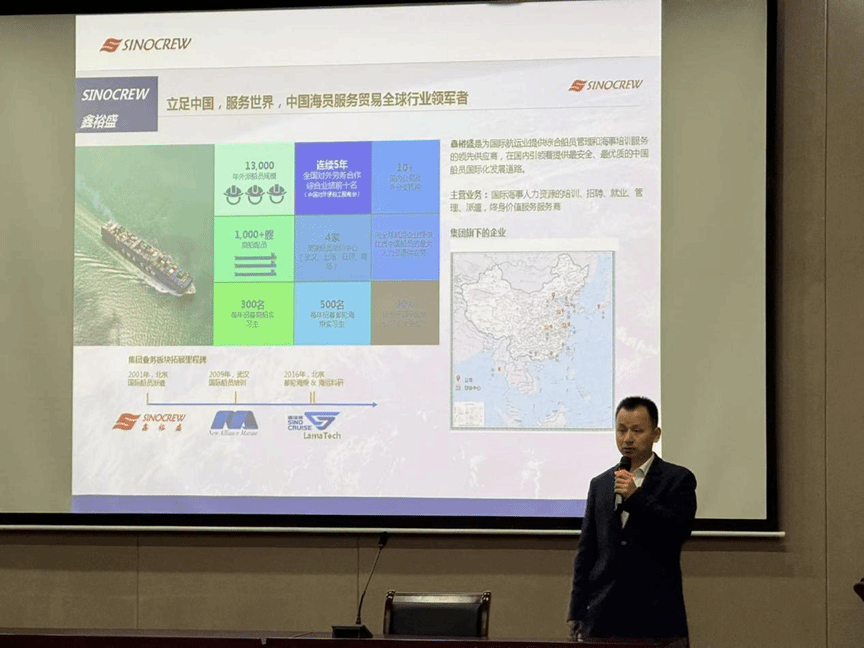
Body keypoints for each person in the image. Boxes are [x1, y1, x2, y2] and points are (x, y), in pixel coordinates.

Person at [567, 396, 697, 641]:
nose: (627, 438)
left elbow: (678, 530)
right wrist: (576, 611)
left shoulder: (678, 479)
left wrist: (636, 498)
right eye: (621, 430)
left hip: (656, 614)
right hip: (602, 615)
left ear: (656, 434)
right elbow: (586, 550)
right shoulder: (601, 484)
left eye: (637, 431)